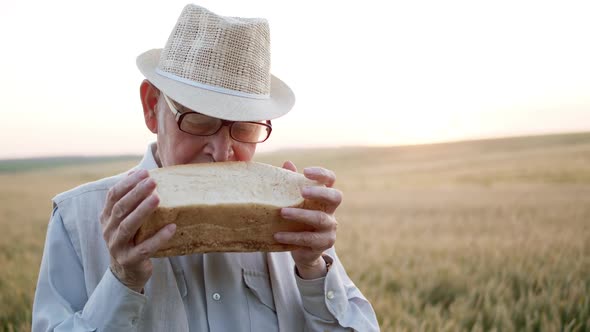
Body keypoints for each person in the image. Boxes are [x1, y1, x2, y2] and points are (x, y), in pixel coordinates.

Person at [32, 4, 379, 332]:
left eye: (245, 127)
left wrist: (313, 270)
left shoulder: (292, 218)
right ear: (152, 108)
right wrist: (123, 278)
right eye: (199, 120)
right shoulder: (75, 218)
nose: (222, 150)